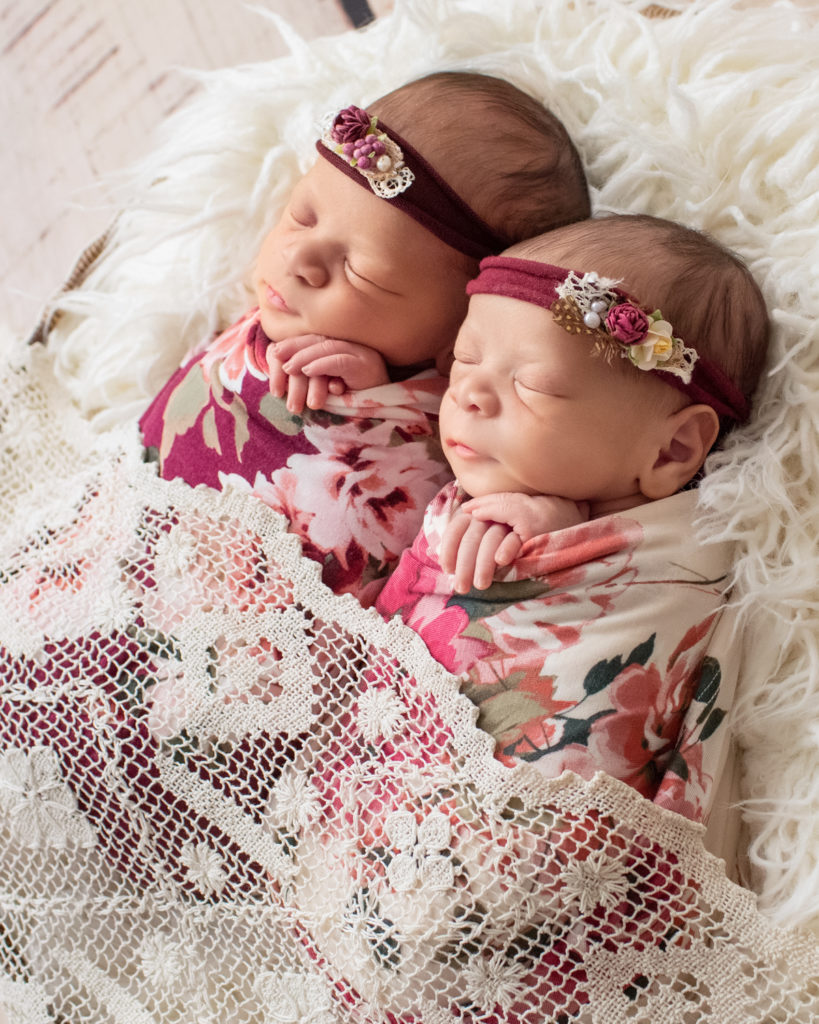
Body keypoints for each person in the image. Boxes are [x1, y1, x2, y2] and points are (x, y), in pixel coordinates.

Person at [375, 213, 770, 822]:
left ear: (673, 451)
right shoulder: (480, 487)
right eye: (465, 358)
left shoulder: (675, 559)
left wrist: (551, 534)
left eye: (534, 384)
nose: (467, 394)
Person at [139, 71, 590, 599]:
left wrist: (376, 404)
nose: (299, 258)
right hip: (125, 528)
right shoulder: (270, 311)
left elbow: (486, 512)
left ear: (460, 335)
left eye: (362, 274)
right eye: (302, 216)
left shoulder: (474, 418)